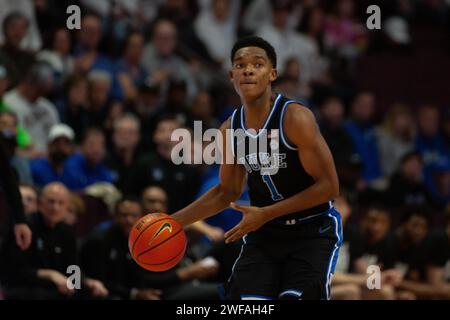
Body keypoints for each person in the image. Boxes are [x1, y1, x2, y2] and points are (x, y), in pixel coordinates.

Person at [172, 36, 341, 300]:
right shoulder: (230, 128)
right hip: (265, 236)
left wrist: (266, 213)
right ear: (231, 76)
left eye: (257, 64)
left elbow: (329, 187)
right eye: (240, 65)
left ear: (272, 74)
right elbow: (226, 191)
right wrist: (173, 222)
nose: (248, 69)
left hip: (311, 232)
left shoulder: (295, 118)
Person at [0, 182, 108, 299]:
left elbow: (73, 267)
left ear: (66, 207)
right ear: (40, 203)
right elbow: (14, 271)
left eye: (61, 203)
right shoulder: (25, 227)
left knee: (94, 293)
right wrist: (50, 275)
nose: (55, 208)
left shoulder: (66, 231)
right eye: (51, 201)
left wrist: (87, 282)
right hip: (26, 287)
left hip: (57, 287)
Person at [29, 123, 75, 188]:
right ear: (49, 145)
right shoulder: (35, 168)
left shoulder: (72, 169)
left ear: (71, 147)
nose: (61, 147)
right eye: (57, 143)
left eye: (66, 143)